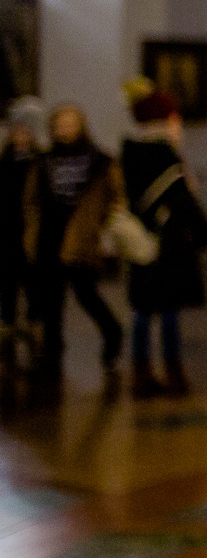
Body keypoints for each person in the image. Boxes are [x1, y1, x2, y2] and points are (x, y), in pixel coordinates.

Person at [24, 104, 127, 399]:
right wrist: (31, 233)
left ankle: (111, 332)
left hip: (81, 235)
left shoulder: (99, 160)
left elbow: (114, 196)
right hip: (50, 234)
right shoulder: (43, 161)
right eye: (60, 125)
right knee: (50, 299)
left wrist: (101, 226)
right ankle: (53, 351)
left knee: (86, 293)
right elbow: (31, 199)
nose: (65, 130)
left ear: (81, 126)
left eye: (70, 124)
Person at [121, 88, 207, 399]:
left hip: (141, 241)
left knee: (143, 312)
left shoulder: (129, 153)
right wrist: (203, 232)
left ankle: (140, 373)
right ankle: (173, 373)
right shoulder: (165, 155)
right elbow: (182, 199)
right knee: (170, 311)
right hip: (170, 243)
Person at [0, 98, 44, 331]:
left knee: (32, 280)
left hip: (30, 228)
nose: (21, 135)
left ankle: (33, 321)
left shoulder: (39, 161)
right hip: (6, 227)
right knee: (6, 280)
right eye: (17, 130)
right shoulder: (4, 160)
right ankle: (7, 321)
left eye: (26, 131)